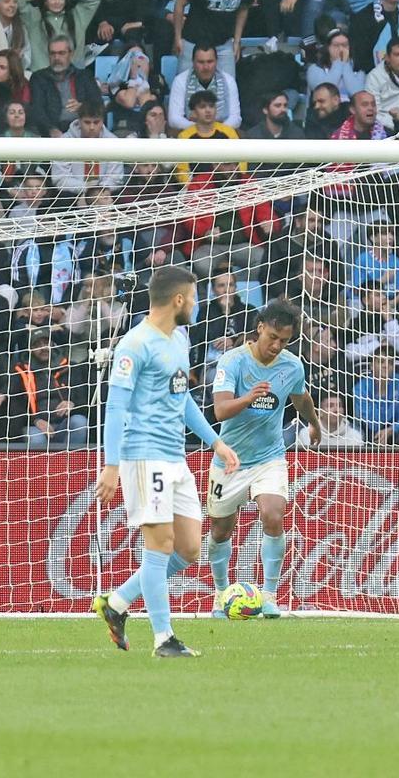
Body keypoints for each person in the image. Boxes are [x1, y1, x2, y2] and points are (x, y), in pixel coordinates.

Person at [91, 265, 241, 659]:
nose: (195, 304)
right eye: (193, 297)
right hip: (143, 457)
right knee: (158, 546)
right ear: (178, 299)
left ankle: (118, 602)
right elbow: (116, 407)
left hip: (176, 458)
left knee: (189, 549)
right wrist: (111, 465)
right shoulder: (134, 345)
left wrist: (216, 442)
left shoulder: (180, 339)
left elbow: (183, 398)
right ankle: (164, 639)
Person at [204, 300, 318, 618]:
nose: (277, 346)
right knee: (221, 530)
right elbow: (220, 410)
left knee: (273, 513)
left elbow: (301, 396)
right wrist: (249, 397)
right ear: (260, 329)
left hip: (269, 457)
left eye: (284, 341)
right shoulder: (233, 362)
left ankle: (269, 595)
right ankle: (220, 595)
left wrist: (314, 423)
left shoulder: (292, 365)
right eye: (273, 338)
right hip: (230, 459)